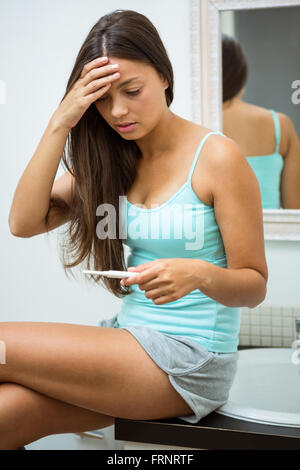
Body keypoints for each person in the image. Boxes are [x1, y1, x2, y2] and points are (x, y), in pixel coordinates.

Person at [6, 10, 268, 450]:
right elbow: (23, 223)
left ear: (164, 76)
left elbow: (255, 286)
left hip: (191, 358)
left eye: (131, 91)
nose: (118, 112)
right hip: (128, 341)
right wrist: (59, 122)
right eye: (102, 100)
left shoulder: (218, 158)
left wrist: (199, 274)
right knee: (7, 416)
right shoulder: (111, 160)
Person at [222, 33, 300, 209]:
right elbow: (295, 212)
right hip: (272, 236)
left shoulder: (191, 124)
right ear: (241, 72)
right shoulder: (280, 125)